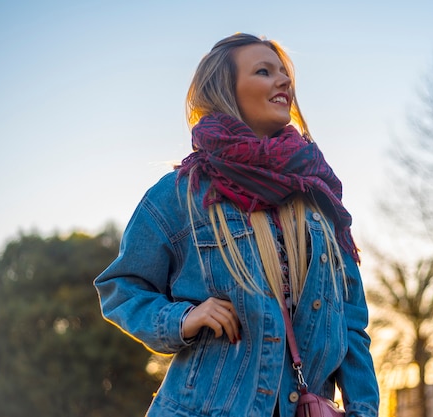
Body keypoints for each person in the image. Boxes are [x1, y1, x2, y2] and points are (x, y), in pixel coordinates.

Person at [94, 32, 379, 417]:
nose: (284, 82)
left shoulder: (317, 197)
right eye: (264, 71)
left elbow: (350, 325)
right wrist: (183, 318)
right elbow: (121, 288)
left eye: (284, 73)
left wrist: (364, 410)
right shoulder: (181, 194)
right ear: (225, 91)